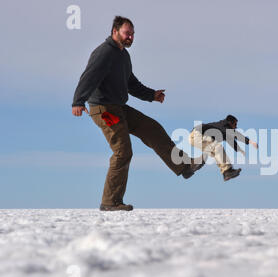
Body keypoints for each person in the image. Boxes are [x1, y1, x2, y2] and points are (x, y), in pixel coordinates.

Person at [72, 16, 203, 211]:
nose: (131, 37)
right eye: (127, 33)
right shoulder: (104, 53)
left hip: (119, 107)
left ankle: (184, 166)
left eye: (133, 34)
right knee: (123, 151)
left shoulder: (123, 55)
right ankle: (110, 201)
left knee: (152, 128)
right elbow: (88, 77)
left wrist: (152, 95)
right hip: (104, 109)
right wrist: (78, 101)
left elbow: (131, 83)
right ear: (114, 31)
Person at [189, 115, 258, 181]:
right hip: (197, 134)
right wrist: (250, 142)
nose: (236, 127)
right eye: (235, 125)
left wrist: (239, 150)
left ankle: (192, 166)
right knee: (217, 147)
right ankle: (227, 171)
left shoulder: (223, 130)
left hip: (195, 136)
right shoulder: (223, 125)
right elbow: (236, 134)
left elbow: (231, 140)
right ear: (230, 123)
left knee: (216, 152)